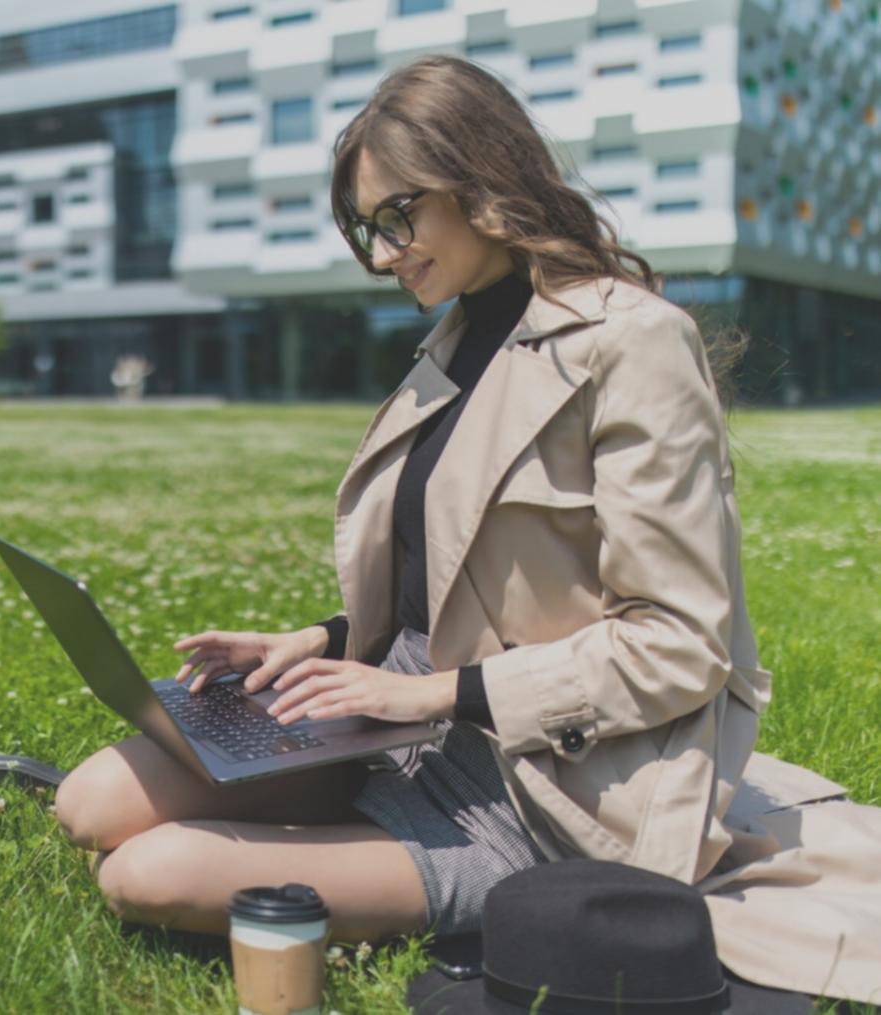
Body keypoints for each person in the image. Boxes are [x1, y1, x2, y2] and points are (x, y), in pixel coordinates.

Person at [49, 55, 881, 1002]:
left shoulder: (632, 341)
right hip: (387, 719)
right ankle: (328, 811)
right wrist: (314, 642)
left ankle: (447, 878)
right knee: (90, 803)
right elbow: (449, 582)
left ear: (480, 182)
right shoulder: (450, 340)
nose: (380, 252)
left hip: (539, 783)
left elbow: (680, 646)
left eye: (396, 218)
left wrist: (434, 695)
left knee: (143, 874)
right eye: (366, 228)